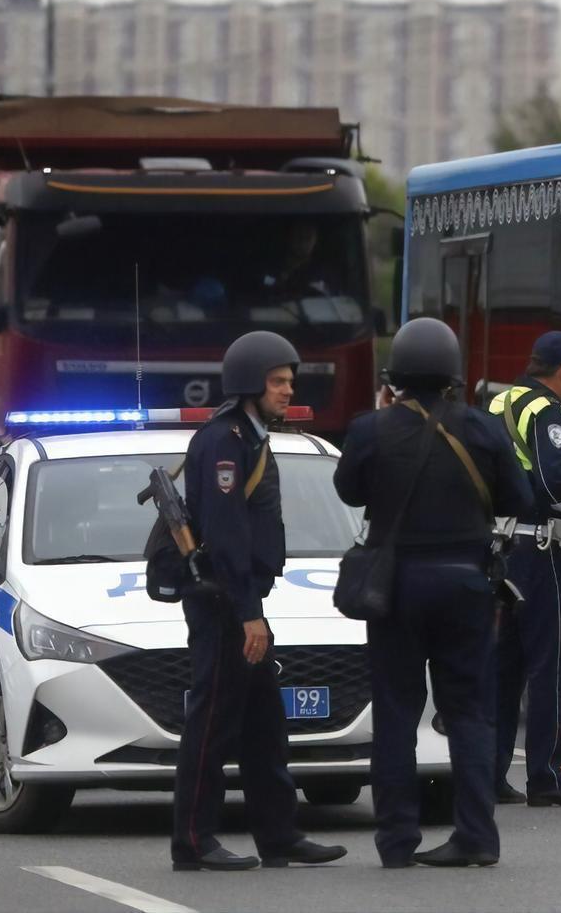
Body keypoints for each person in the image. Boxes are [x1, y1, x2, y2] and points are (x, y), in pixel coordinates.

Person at [336, 318, 533, 868]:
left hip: (395, 587)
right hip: (466, 583)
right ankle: (477, 836)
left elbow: (348, 488)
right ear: (453, 376)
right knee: (468, 711)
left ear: (393, 376)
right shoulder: (480, 429)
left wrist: (380, 422)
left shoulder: (372, 429)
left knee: (397, 712)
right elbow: (517, 496)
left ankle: (397, 840)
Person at [171, 330, 347, 872]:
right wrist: (249, 613)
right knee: (212, 723)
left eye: (290, 381)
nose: (286, 391)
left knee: (264, 725)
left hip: (244, 600)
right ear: (249, 383)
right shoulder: (225, 441)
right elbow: (225, 537)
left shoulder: (251, 436)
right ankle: (194, 842)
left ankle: (278, 835)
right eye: (276, 382)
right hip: (226, 603)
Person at [488, 331, 561, 807]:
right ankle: (546, 777)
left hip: (499, 550)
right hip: (543, 550)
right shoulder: (547, 411)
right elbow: (558, 487)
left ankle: (491, 774)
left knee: (503, 669)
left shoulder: (498, 405)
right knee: (551, 665)